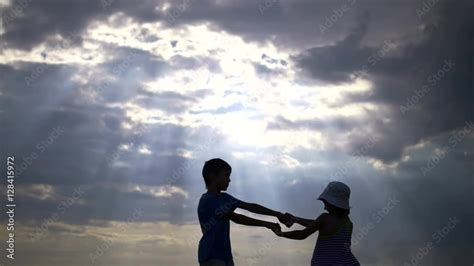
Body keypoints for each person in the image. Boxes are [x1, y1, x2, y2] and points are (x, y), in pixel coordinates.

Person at [197, 158, 292, 266]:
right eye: (226, 175)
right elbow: (237, 218)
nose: (229, 180)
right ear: (212, 176)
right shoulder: (208, 200)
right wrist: (266, 224)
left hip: (226, 255)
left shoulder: (225, 198)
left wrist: (277, 214)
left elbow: (251, 207)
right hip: (211, 255)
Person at [275, 181, 360, 266]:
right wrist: (296, 219)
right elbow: (317, 224)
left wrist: (281, 234)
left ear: (333, 203)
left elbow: (301, 235)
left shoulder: (325, 218)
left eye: (325, 203)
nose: (324, 207)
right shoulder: (348, 223)